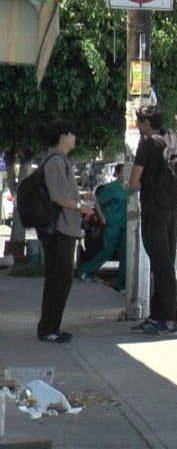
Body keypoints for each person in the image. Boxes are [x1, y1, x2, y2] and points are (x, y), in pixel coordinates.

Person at [36, 120, 95, 343]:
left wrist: (81, 198)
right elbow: (58, 196)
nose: (75, 139)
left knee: (62, 279)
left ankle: (53, 326)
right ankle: (49, 328)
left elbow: (65, 193)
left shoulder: (60, 161)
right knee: (58, 279)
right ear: (63, 136)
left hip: (65, 228)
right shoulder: (55, 161)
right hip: (59, 228)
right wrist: (80, 206)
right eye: (73, 134)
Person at [127, 104, 177, 337]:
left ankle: (168, 321)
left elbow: (133, 182)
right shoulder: (171, 139)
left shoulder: (148, 145)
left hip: (153, 212)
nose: (138, 127)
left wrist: (135, 188)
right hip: (170, 210)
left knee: (162, 266)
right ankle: (157, 317)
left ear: (148, 123)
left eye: (140, 122)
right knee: (164, 264)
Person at [76, 163, 127, 292]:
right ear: (117, 173)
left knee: (124, 255)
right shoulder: (111, 188)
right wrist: (101, 218)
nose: (126, 175)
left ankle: (122, 284)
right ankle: (85, 270)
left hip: (124, 225)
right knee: (107, 251)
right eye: (123, 172)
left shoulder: (127, 188)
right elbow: (97, 201)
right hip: (112, 224)